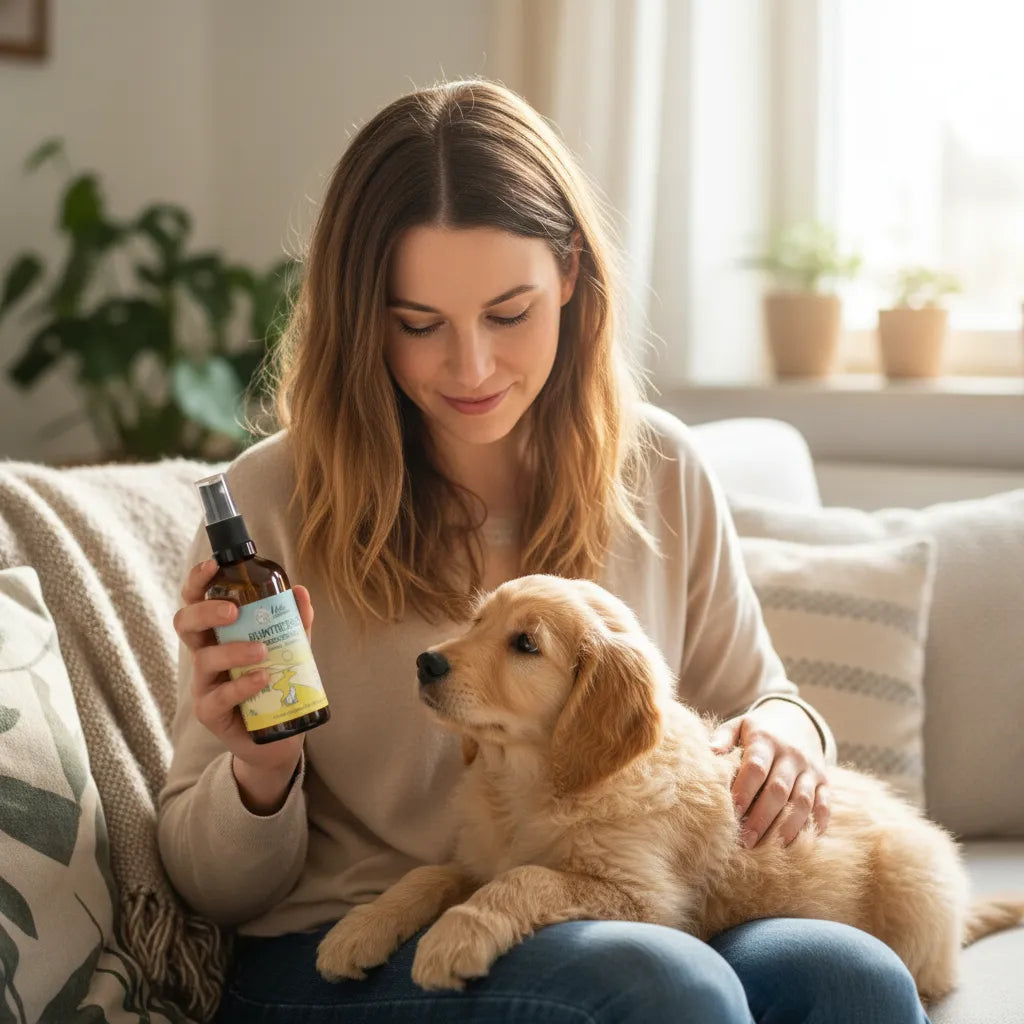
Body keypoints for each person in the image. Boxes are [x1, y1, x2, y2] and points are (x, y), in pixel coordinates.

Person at [158, 78, 928, 1024]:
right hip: (354, 951)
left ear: (570, 272)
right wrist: (257, 773)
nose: (472, 367)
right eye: (419, 325)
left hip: (622, 911)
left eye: (509, 312)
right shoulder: (271, 507)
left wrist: (791, 737)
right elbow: (207, 887)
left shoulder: (662, 470)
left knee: (851, 976)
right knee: (656, 984)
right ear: (363, 319)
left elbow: (759, 700)